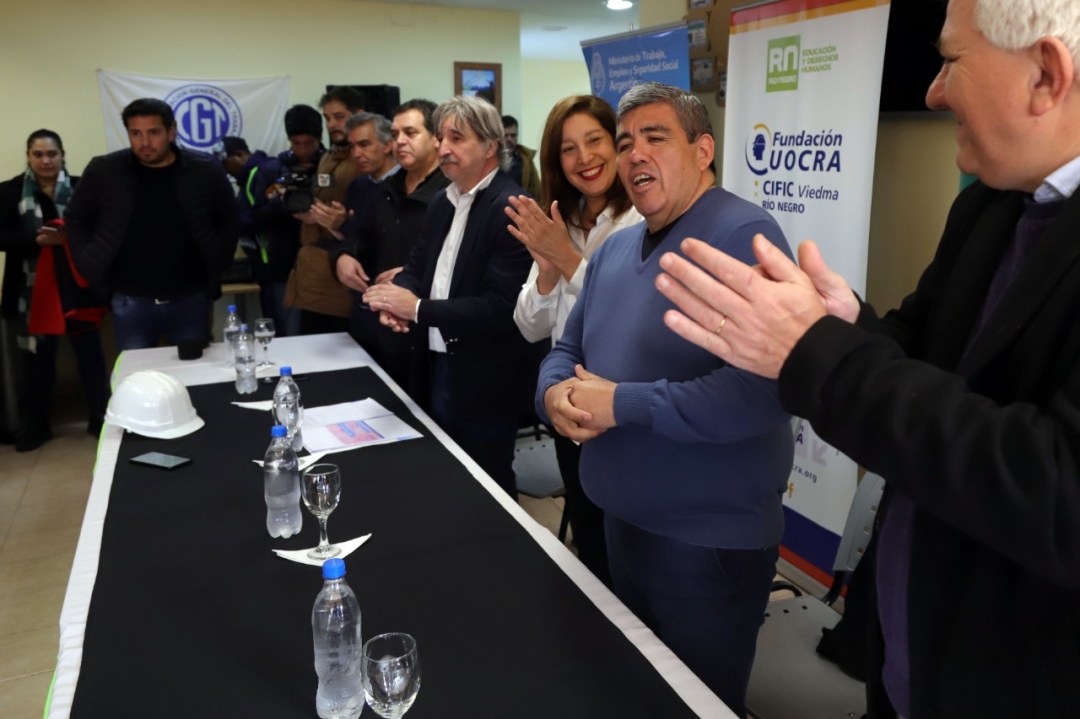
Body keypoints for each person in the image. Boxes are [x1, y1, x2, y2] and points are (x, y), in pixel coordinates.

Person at [655, 1, 1080, 716]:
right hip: (907, 662)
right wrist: (844, 324)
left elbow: (1059, 494)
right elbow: (924, 361)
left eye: (950, 61)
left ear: (1046, 75)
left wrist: (816, 350)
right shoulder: (989, 205)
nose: (934, 92)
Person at [535, 82, 794, 717]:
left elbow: (764, 391)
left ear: (703, 151)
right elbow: (567, 349)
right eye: (626, 142)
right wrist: (555, 395)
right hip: (622, 524)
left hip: (705, 543)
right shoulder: (616, 248)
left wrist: (622, 404)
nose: (635, 154)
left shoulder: (742, 234)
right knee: (638, 692)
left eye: (656, 137)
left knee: (696, 702)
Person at [363, 95, 539, 497]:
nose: (443, 148)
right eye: (441, 138)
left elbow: (502, 308)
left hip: (485, 376)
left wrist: (416, 309)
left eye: (456, 138)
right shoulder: (443, 201)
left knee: (488, 485)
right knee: (444, 477)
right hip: (433, 361)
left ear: (490, 146)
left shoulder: (511, 207)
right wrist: (398, 298)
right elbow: (418, 266)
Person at [506, 95, 643, 586]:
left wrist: (567, 259)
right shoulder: (560, 221)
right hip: (568, 405)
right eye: (568, 149)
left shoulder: (641, 219)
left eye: (594, 141)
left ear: (617, 143)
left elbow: (629, 313)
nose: (584, 158)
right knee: (589, 537)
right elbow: (529, 325)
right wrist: (547, 269)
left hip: (623, 408)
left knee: (628, 552)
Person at [65, 98, 238, 351]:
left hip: (190, 296)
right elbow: (76, 218)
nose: (144, 142)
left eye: (154, 132)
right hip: (129, 298)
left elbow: (229, 218)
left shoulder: (204, 170)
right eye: (135, 133)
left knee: (192, 371)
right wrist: (88, 261)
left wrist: (220, 258)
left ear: (171, 131)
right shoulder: (105, 171)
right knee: (135, 373)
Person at [0, 129, 109, 451]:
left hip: (76, 289)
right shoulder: (8, 192)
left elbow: (100, 232)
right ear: (28, 156)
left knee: (90, 357)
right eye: (38, 154)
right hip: (31, 293)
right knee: (37, 362)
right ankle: (36, 426)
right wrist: (35, 240)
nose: (45, 160)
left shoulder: (82, 187)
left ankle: (100, 419)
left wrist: (69, 239)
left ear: (62, 155)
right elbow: (1, 237)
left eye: (52, 154)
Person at [330, 99, 450, 391]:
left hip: (425, 331)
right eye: (395, 135)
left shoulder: (451, 193)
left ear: (436, 138)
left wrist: (415, 276)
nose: (400, 141)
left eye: (410, 133)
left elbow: (459, 261)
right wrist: (343, 257)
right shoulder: (384, 189)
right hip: (375, 324)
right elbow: (356, 237)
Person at [284, 86, 363, 335]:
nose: (332, 125)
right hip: (312, 271)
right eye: (327, 118)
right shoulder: (329, 156)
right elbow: (322, 197)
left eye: (339, 117)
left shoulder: (362, 158)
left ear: (358, 114)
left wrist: (341, 221)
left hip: (341, 274)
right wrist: (311, 212)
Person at [249, 104, 325, 337]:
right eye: (296, 143)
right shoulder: (272, 170)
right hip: (281, 265)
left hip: (323, 264)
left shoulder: (329, 166)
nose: (302, 149)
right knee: (286, 334)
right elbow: (253, 219)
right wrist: (282, 204)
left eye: (308, 143)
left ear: (319, 138)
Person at [501, 114, 541, 198]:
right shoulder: (490, 160)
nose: (509, 139)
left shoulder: (526, 160)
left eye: (513, 135)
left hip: (520, 203)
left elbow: (536, 190)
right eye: (505, 135)